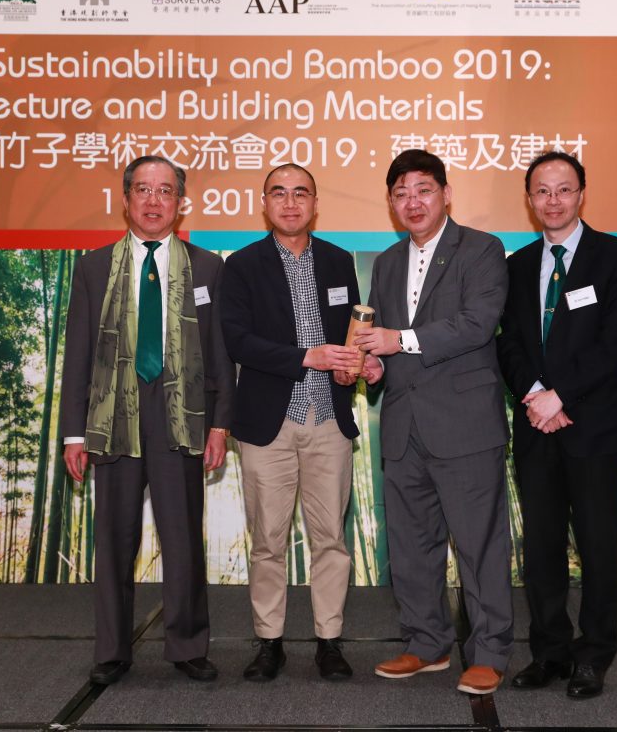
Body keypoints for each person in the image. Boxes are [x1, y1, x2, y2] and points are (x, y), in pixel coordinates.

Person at [60, 155, 235, 685]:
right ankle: (112, 650)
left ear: (182, 203)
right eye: (143, 190)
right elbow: (78, 355)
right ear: (126, 199)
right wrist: (73, 432)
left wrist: (220, 424)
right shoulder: (93, 266)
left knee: (182, 537)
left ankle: (187, 646)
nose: (153, 201)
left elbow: (221, 352)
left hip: (182, 416)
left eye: (165, 191)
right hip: (113, 415)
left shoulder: (208, 267)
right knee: (114, 538)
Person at [355, 149, 513, 695]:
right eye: (401, 193)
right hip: (403, 425)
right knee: (411, 544)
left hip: (465, 423)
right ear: (392, 204)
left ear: (446, 194)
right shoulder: (388, 262)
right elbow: (385, 341)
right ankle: (426, 643)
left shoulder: (483, 249)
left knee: (479, 543)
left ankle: (490, 650)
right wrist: (375, 365)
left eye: (423, 189)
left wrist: (399, 341)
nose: (412, 202)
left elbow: (477, 323)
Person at [496, 151, 617, 698]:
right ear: (529, 199)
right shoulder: (514, 265)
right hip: (536, 426)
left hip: (593, 427)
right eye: (542, 191)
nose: (552, 200)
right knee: (541, 547)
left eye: (563, 189)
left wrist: (561, 395)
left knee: (598, 545)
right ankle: (549, 652)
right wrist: (534, 395)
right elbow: (508, 342)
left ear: (582, 194)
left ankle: (594, 655)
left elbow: (616, 340)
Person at [219, 164, 361, 682]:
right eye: (279, 193)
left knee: (330, 540)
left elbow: (351, 333)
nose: (291, 202)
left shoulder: (338, 261)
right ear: (265, 203)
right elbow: (238, 340)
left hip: (328, 419)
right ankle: (269, 642)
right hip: (266, 424)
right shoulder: (242, 265)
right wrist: (307, 357)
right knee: (268, 540)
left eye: (301, 193)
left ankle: (329, 641)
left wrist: (351, 362)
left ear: (315, 203)